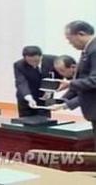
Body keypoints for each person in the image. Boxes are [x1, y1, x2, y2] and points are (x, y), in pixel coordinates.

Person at [56, 20, 96, 150]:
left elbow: (94, 80)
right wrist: (65, 103)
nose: (70, 43)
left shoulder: (94, 50)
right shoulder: (88, 50)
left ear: (80, 34)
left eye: (70, 39)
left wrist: (69, 84)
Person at [13, 46, 61, 117]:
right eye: (29, 61)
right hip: (26, 96)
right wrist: (29, 98)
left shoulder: (53, 60)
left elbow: (59, 76)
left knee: (46, 119)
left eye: (36, 61)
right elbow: (21, 82)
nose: (33, 64)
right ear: (25, 58)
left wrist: (50, 90)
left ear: (41, 56)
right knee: (26, 121)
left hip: (47, 96)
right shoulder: (18, 65)